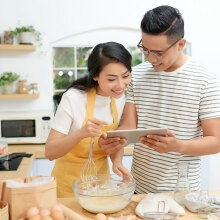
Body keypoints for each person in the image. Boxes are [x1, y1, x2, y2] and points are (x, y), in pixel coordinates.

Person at [99, 5, 220, 194]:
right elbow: (129, 126)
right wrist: (112, 141)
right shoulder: (136, 75)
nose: (151, 58)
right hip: (138, 191)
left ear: (180, 44)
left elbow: (216, 141)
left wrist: (178, 146)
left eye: (159, 53)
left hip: (182, 193)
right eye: (145, 49)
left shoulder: (205, 80)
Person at [45, 42, 132, 197]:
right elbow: (50, 152)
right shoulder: (73, 98)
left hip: (101, 186)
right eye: (111, 79)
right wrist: (80, 133)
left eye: (125, 76)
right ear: (95, 75)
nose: (120, 85)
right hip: (68, 188)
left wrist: (117, 162)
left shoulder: (120, 98)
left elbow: (113, 142)